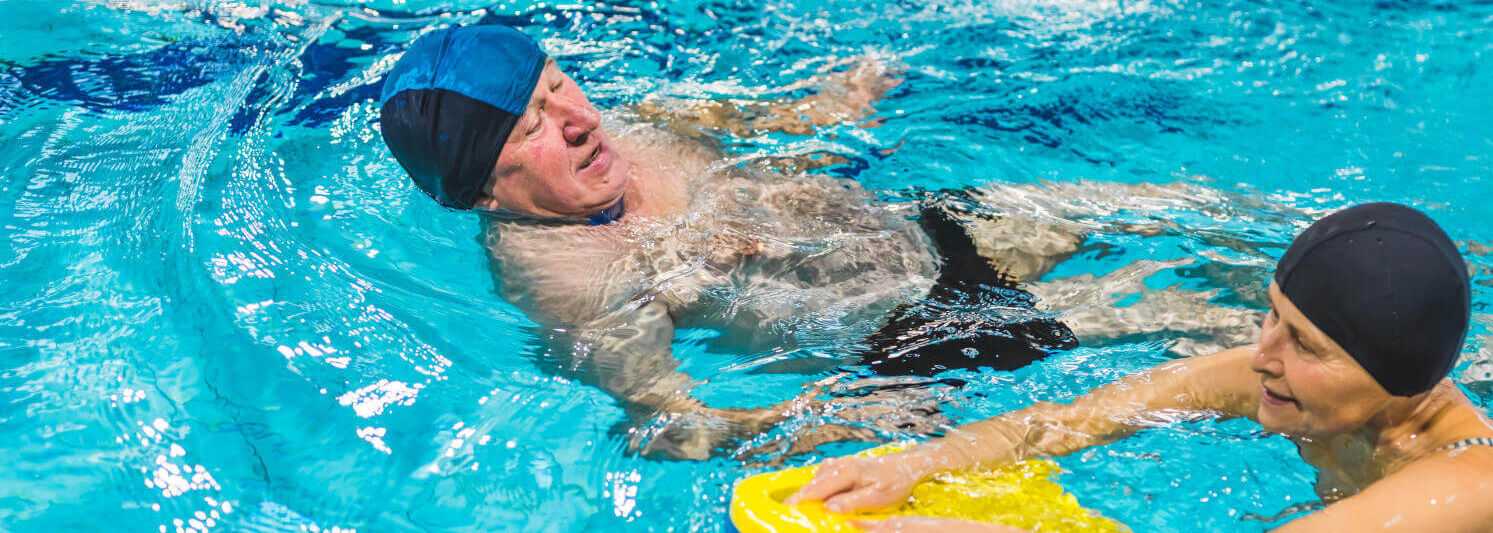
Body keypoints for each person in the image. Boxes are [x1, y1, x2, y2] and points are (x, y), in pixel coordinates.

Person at [376, 25, 1257, 460]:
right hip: (920, 323)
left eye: (561, 83)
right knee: (1201, 319)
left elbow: (760, 123)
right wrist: (823, 420)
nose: (577, 119)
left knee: (1187, 206)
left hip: (920, 224)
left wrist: (835, 103)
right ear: (484, 190)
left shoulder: (631, 132)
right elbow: (668, 425)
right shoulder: (569, 280)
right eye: (532, 125)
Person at [792, 203, 1493, 532]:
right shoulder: (1282, 379)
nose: (1261, 352)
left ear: (1397, 375)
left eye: (1306, 344)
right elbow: (1072, 418)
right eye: (1272, 314)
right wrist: (927, 458)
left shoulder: (1482, 482)